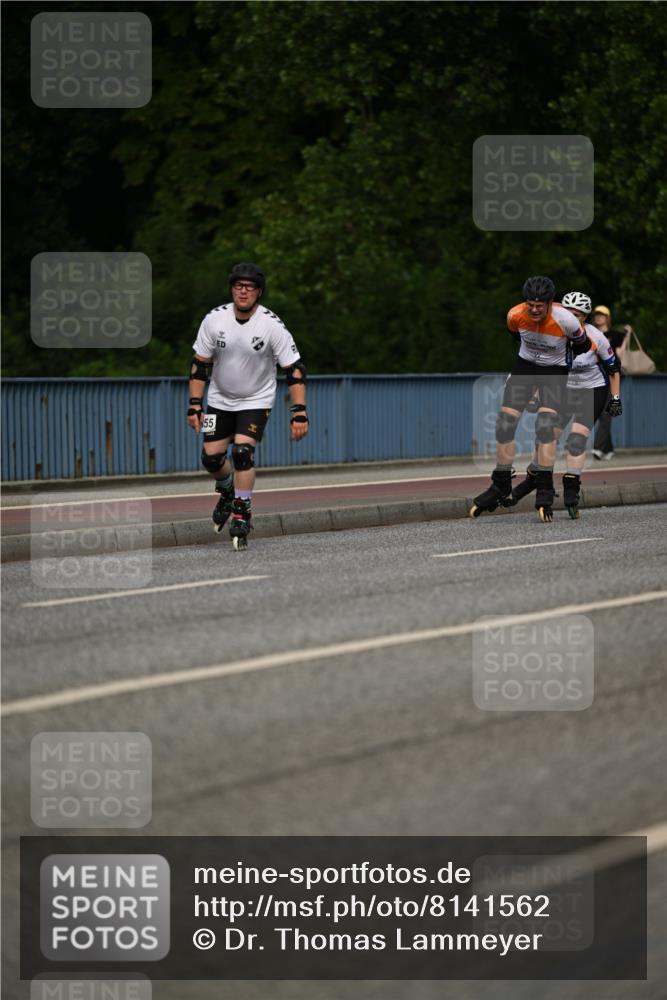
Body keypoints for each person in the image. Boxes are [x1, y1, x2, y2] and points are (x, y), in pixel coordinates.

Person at [187, 262, 309, 549]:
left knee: (242, 452)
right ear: (232, 289)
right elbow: (199, 365)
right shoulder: (214, 320)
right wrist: (194, 404)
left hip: (256, 399)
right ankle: (227, 490)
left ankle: (242, 509)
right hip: (218, 400)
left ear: (259, 292)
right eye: (238, 286)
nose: (243, 292)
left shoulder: (270, 325)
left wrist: (299, 412)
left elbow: (294, 369)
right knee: (211, 458)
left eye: (250, 287)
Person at [470, 275, 593, 523]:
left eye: (540, 305)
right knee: (504, 424)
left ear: (550, 303)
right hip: (525, 367)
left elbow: (582, 345)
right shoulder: (515, 315)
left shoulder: (566, 320)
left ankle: (545, 488)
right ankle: (501, 483)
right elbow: (516, 336)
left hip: (554, 372)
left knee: (545, 428)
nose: (534, 310)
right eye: (530, 305)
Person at [509, 292, 622, 518]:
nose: (571, 317)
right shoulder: (551, 333)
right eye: (567, 312)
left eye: (577, 314)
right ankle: (537, 476)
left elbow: (613, 368)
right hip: (564, 389)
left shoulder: (595, 337)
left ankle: (571, 485)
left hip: (592, 389)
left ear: (585, 318)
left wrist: (616, 398)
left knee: (576, 438)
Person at [590, 305, 631, 460]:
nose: (599, 317)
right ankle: (608, 449)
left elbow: (620, 353)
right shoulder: (590, 333)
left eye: (602, 315)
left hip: (611, 375)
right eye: (597, 315)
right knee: (599, 412)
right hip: (594, 375)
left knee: (607, 412)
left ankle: (599, 448)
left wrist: (628, 335)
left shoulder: (615, 335)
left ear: (607, 317)